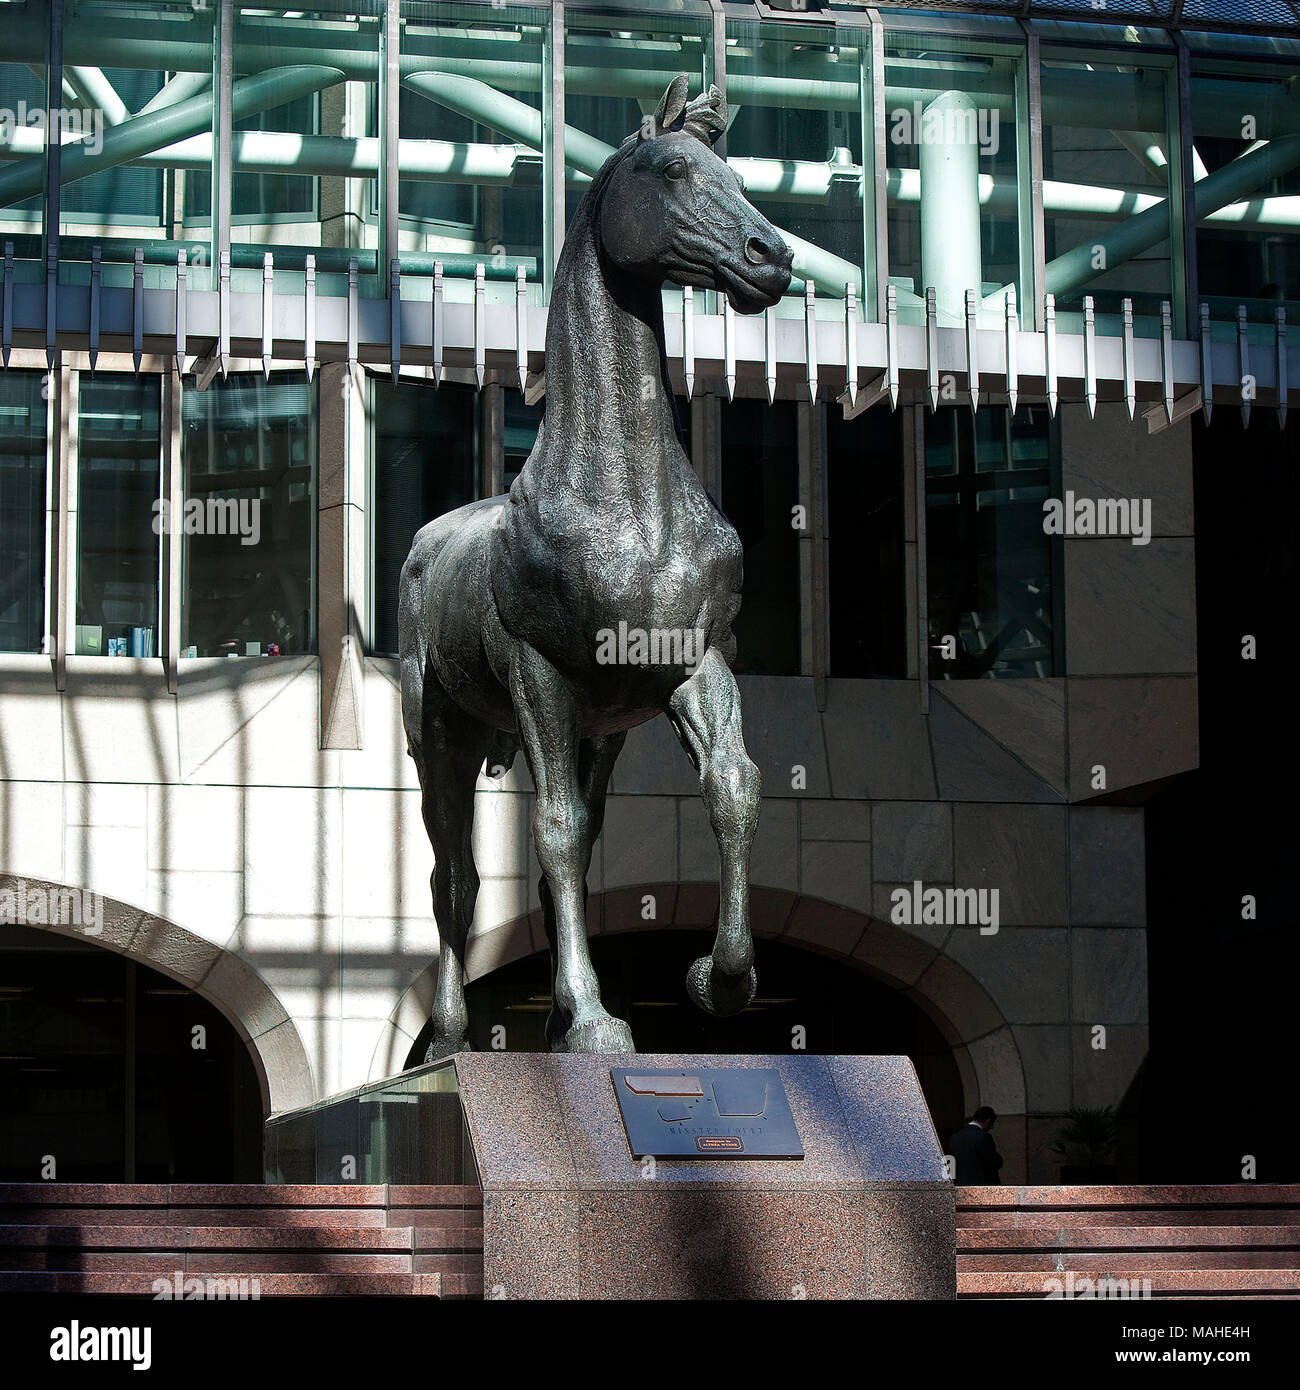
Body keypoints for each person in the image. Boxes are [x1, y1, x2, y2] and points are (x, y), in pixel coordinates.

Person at [947, 1106, 1004, 1185]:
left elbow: (949, 1162)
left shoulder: (955, 1137)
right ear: (988, 1121)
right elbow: (994, 1162)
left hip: (960, 1184)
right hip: (982, 1185)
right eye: (991, 1125)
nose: (991, 1128)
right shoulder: (983, 1137)